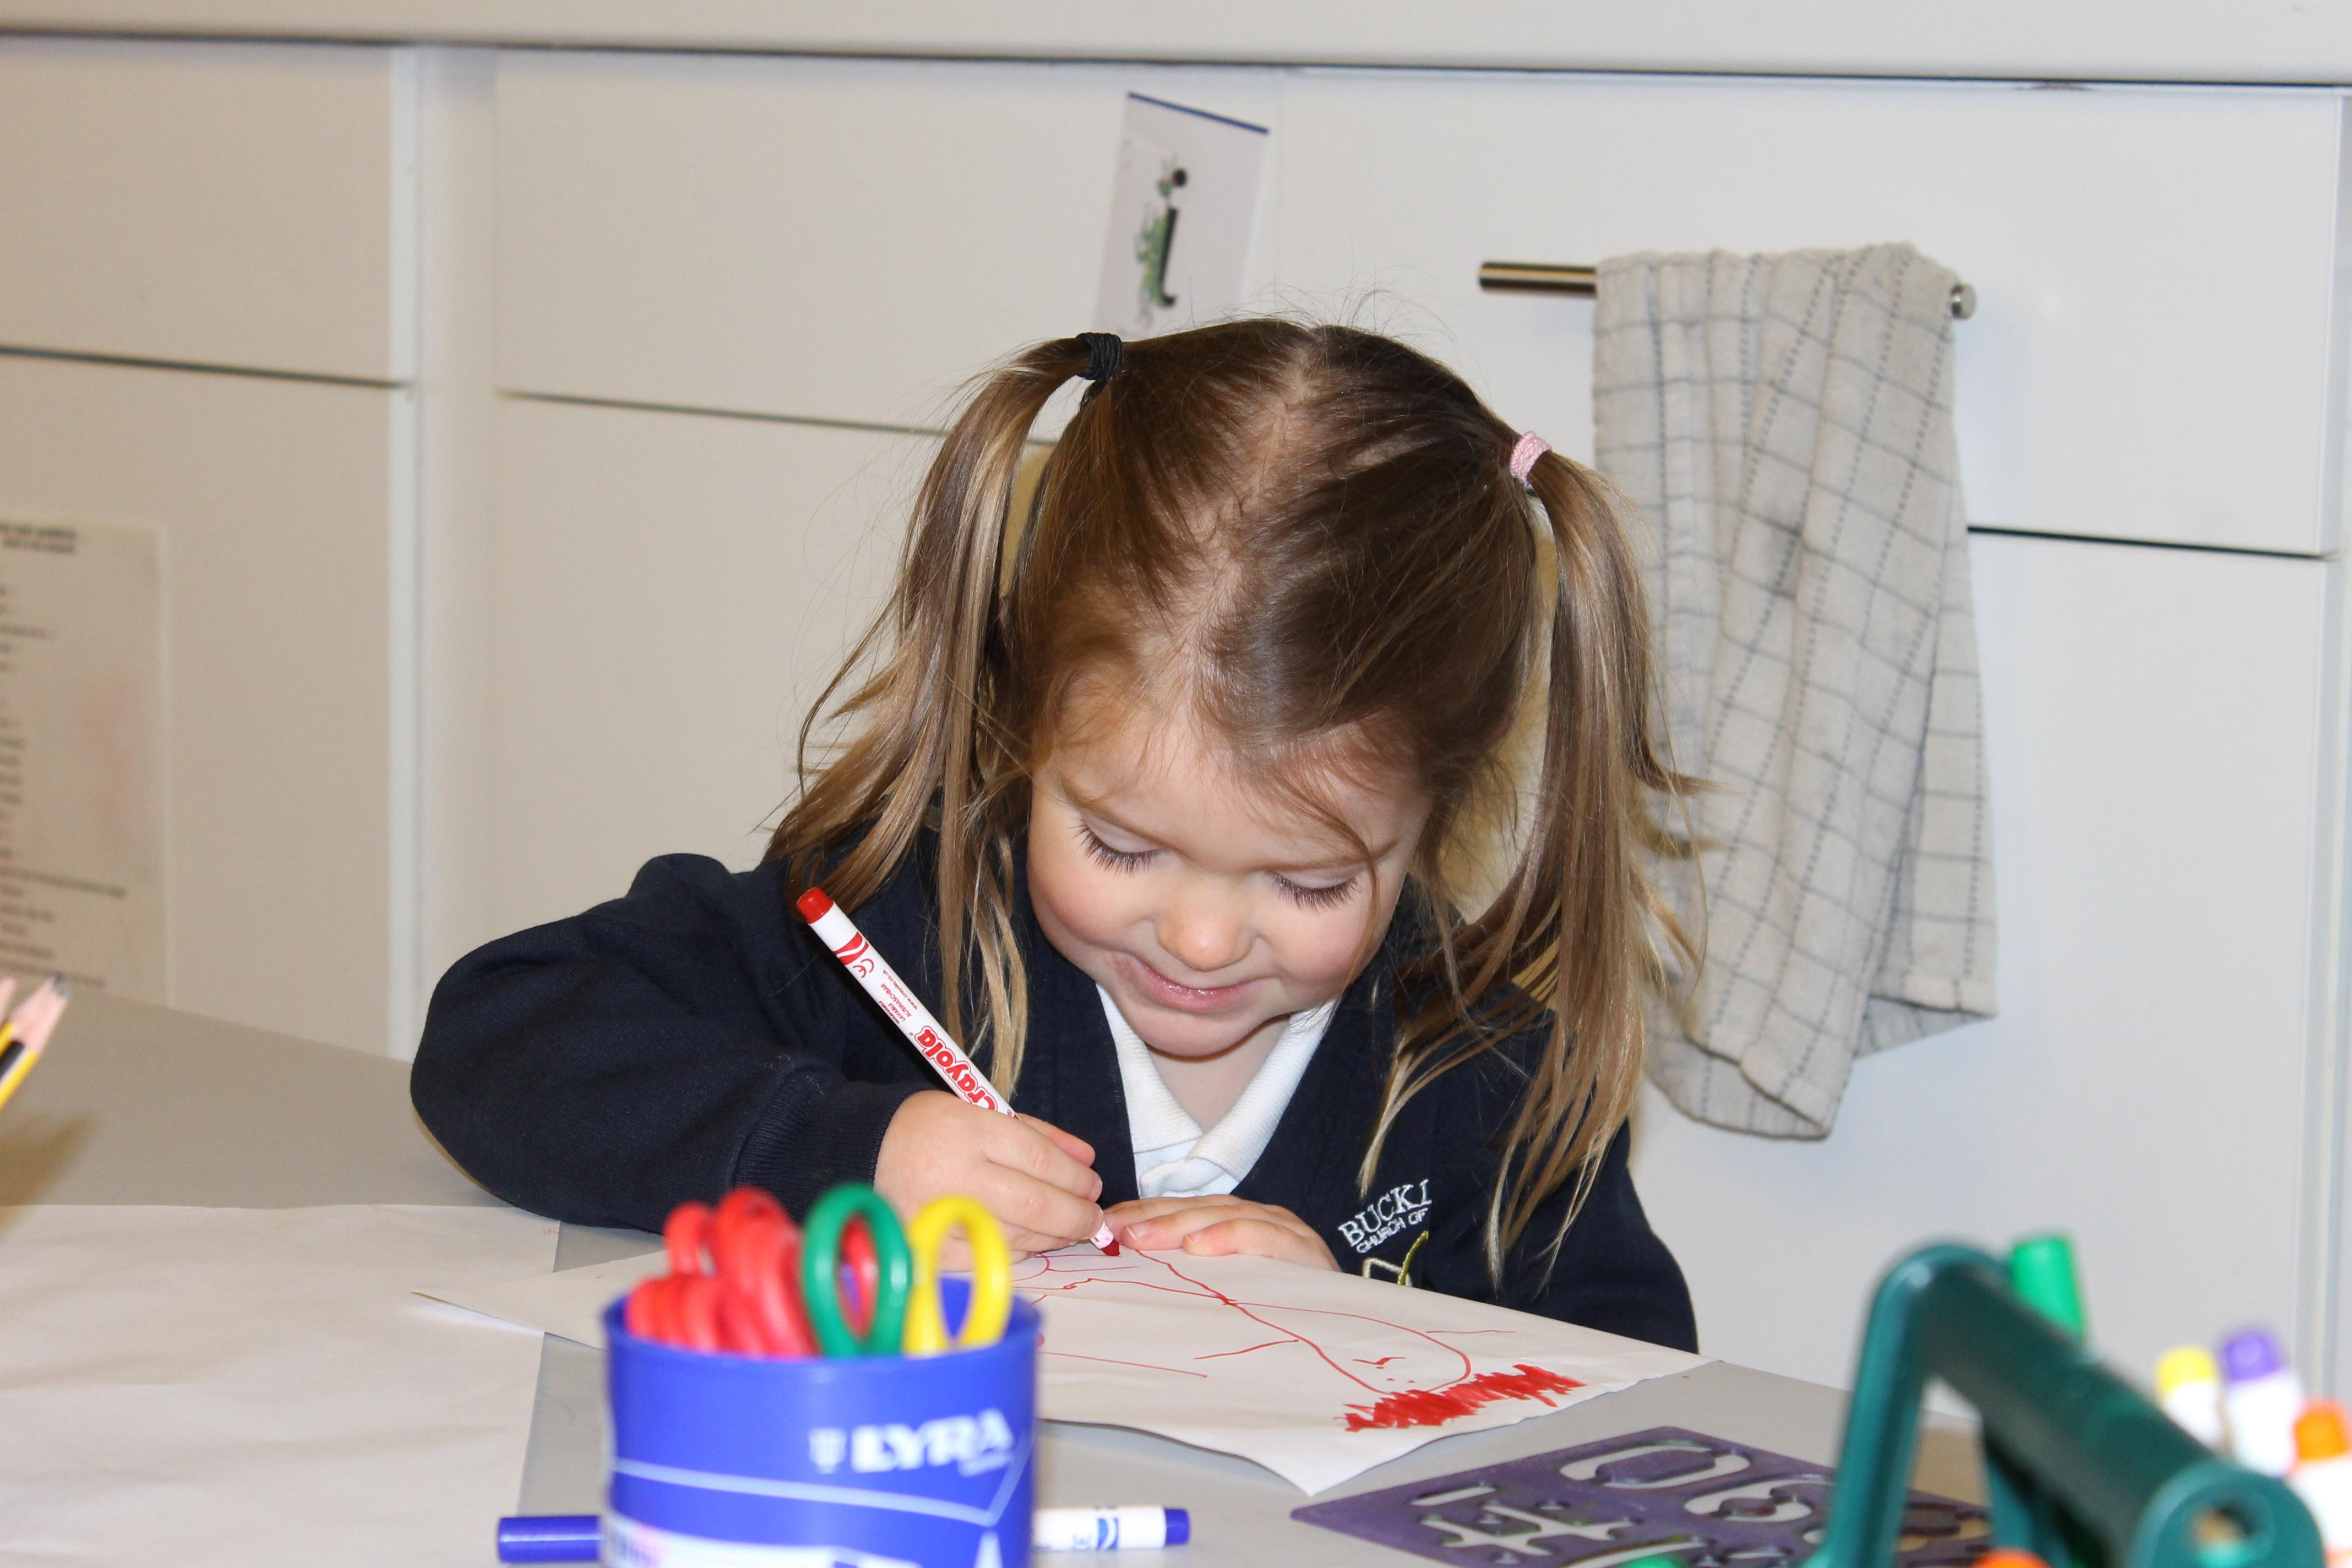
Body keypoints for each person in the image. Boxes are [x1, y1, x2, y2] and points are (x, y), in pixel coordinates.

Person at [411, 321, 1700, 1350]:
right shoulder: (897, 925)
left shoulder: (1484, 1066)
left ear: (1434, 814)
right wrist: (855, 1152)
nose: (1201, 937)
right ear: (1028, 724)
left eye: (1308, 880)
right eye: (1124, 848)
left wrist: (1373, 1326)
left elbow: (1635, 1377)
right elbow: (498, 1039)